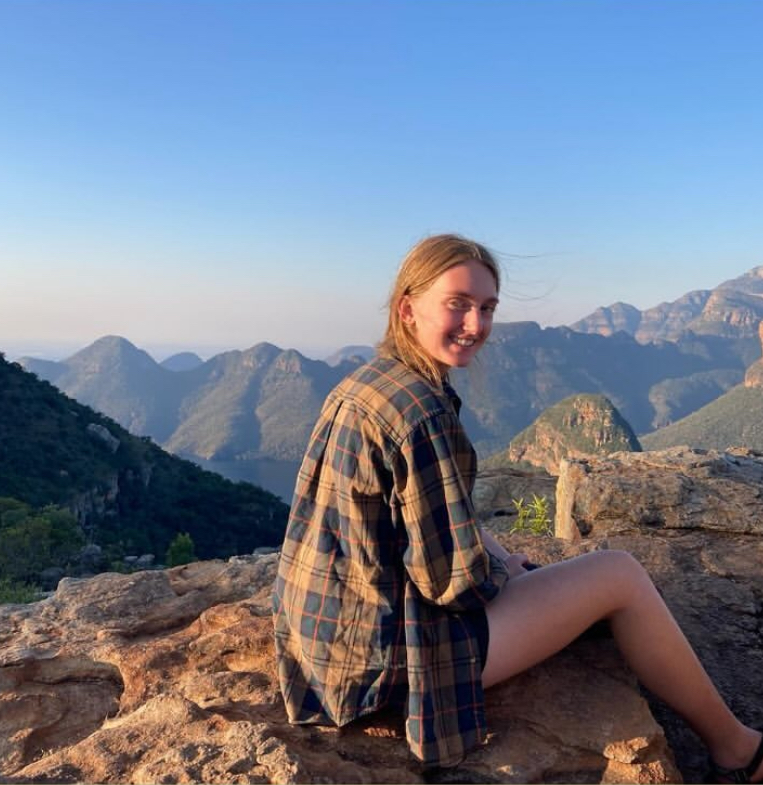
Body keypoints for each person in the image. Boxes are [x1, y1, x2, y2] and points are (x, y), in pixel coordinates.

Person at [272, 233, 763, 781]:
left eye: (486, 308)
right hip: (390, 664)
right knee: (618, 575)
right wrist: (506, 582)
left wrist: (507, 561)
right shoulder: (422, 413)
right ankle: (738, 749)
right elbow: (451, 585)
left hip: (325, 643)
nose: (476, 325)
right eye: (457, 304)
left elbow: (421, 518)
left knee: (542, 573)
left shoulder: (366, 384)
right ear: (408, 309)